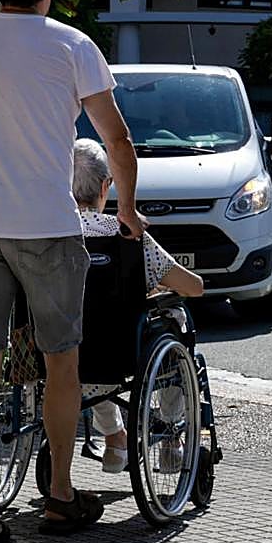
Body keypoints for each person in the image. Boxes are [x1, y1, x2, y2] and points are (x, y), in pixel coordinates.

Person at [0, 0, 145, 543]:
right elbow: (117, 138)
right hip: (45, 225)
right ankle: (59, 494)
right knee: (62, 359)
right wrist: (127, 208)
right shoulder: (72, 45)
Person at [73, 138, 203, 473]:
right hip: (118, 350)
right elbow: (192, 286)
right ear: (106, 185)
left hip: (65, 350)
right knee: (173, 322)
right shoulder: (125, 233)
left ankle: (115, 438)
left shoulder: (49, 232)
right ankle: (172, 436)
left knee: (89, 345)